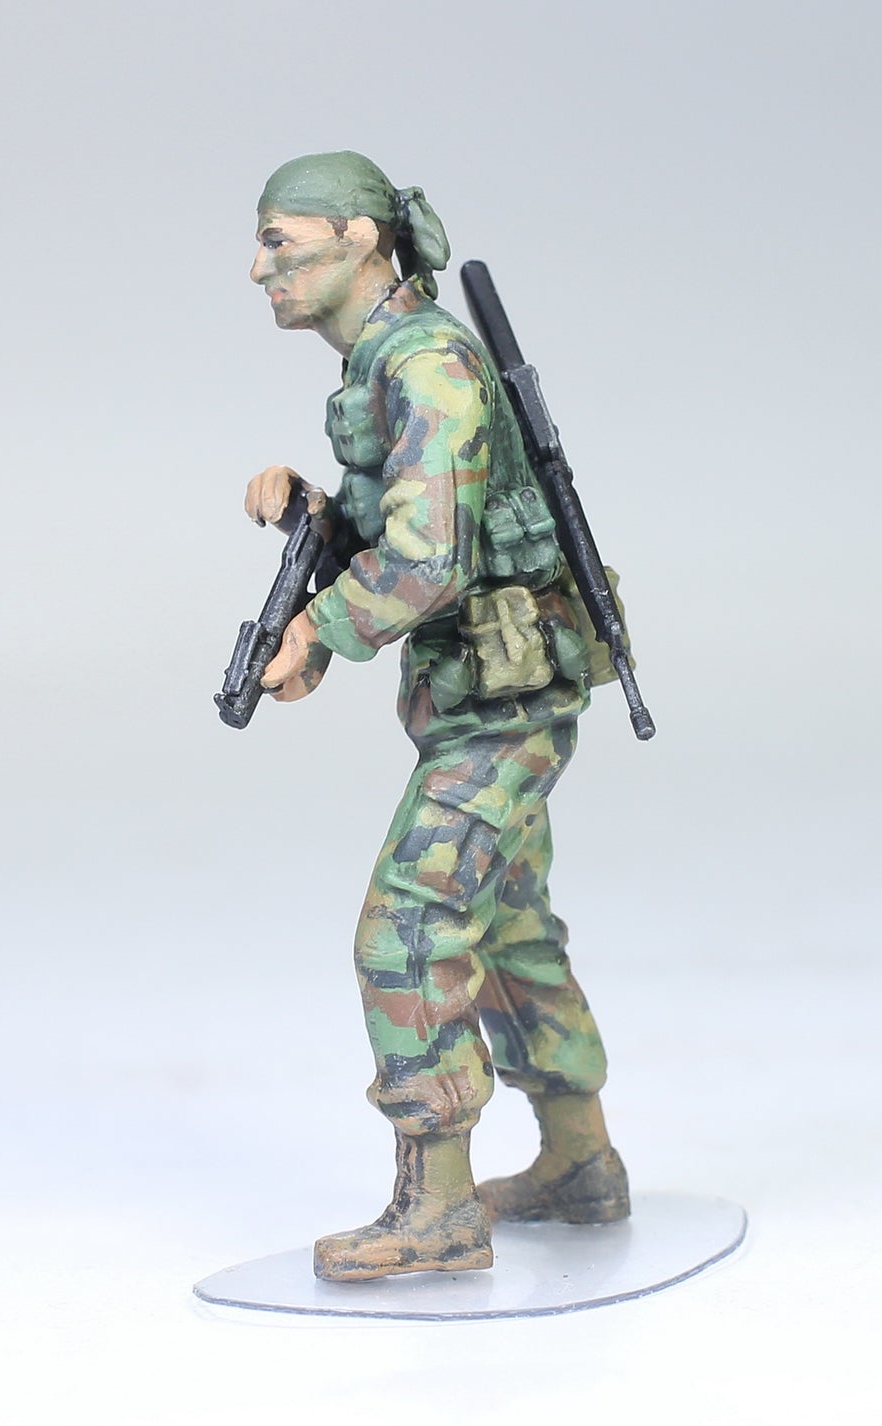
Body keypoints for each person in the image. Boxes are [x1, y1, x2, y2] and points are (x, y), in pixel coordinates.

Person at [243, 152, 628, 1282]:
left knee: (408, 927)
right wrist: (314, 512)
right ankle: (582, 1162)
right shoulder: (388, 361)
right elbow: (410, 520)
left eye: (278, 240)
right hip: (486, 690)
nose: (259, 268)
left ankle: (442, 1209)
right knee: (507, 930)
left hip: (504, 704)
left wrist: (318, 629)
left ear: (360, 238)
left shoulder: (427, 365)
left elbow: (426, 559)